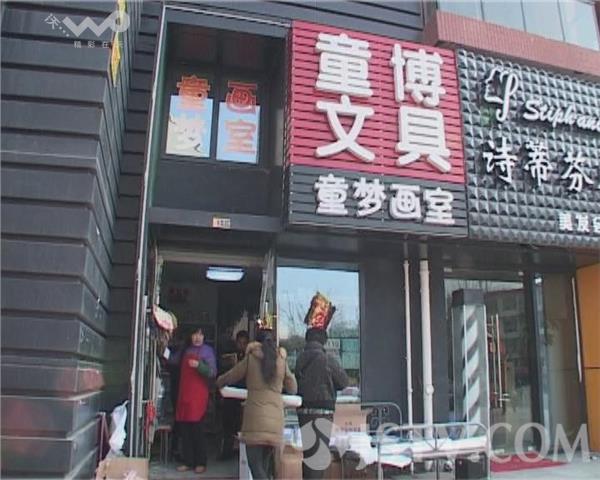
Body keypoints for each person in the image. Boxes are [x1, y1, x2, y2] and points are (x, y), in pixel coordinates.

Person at [216, 328, 297, 479]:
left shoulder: (251, 358)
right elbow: (293, 387)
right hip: (275, 422)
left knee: (255, 467)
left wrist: (218, 382)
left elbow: (232, 376)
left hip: (255, 422)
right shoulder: (281, 360)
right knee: (264, 468)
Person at [296, 327, 349, 479]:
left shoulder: (300, 359)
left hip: (303, 410)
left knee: (309, 454)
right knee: (318, 458)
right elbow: (343, 381)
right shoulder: (327, 359)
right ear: (324, 341)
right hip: (323, 411)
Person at [175, 327, 216, 474]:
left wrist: (199, 366)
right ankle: (188, 461)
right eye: (195, 334)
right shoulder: (185, 350)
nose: (197, 337)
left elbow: (212, 372)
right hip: (184, 395)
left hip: (198, 397)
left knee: (197, 430)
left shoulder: (207, 352)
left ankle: (200, 462)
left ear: (204, 337)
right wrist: (163, 351)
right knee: (185, 430)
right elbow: (173, 361)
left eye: (200, 334)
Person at [220, 330, 249, 460]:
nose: (241, 346)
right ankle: (227, 451)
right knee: (228, 424)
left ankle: (241, 453)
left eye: (244, 343)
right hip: (230, 395)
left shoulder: (250, 358)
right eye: (239, 343)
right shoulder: (231, 356)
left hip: (244, 394)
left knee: (242, 425)